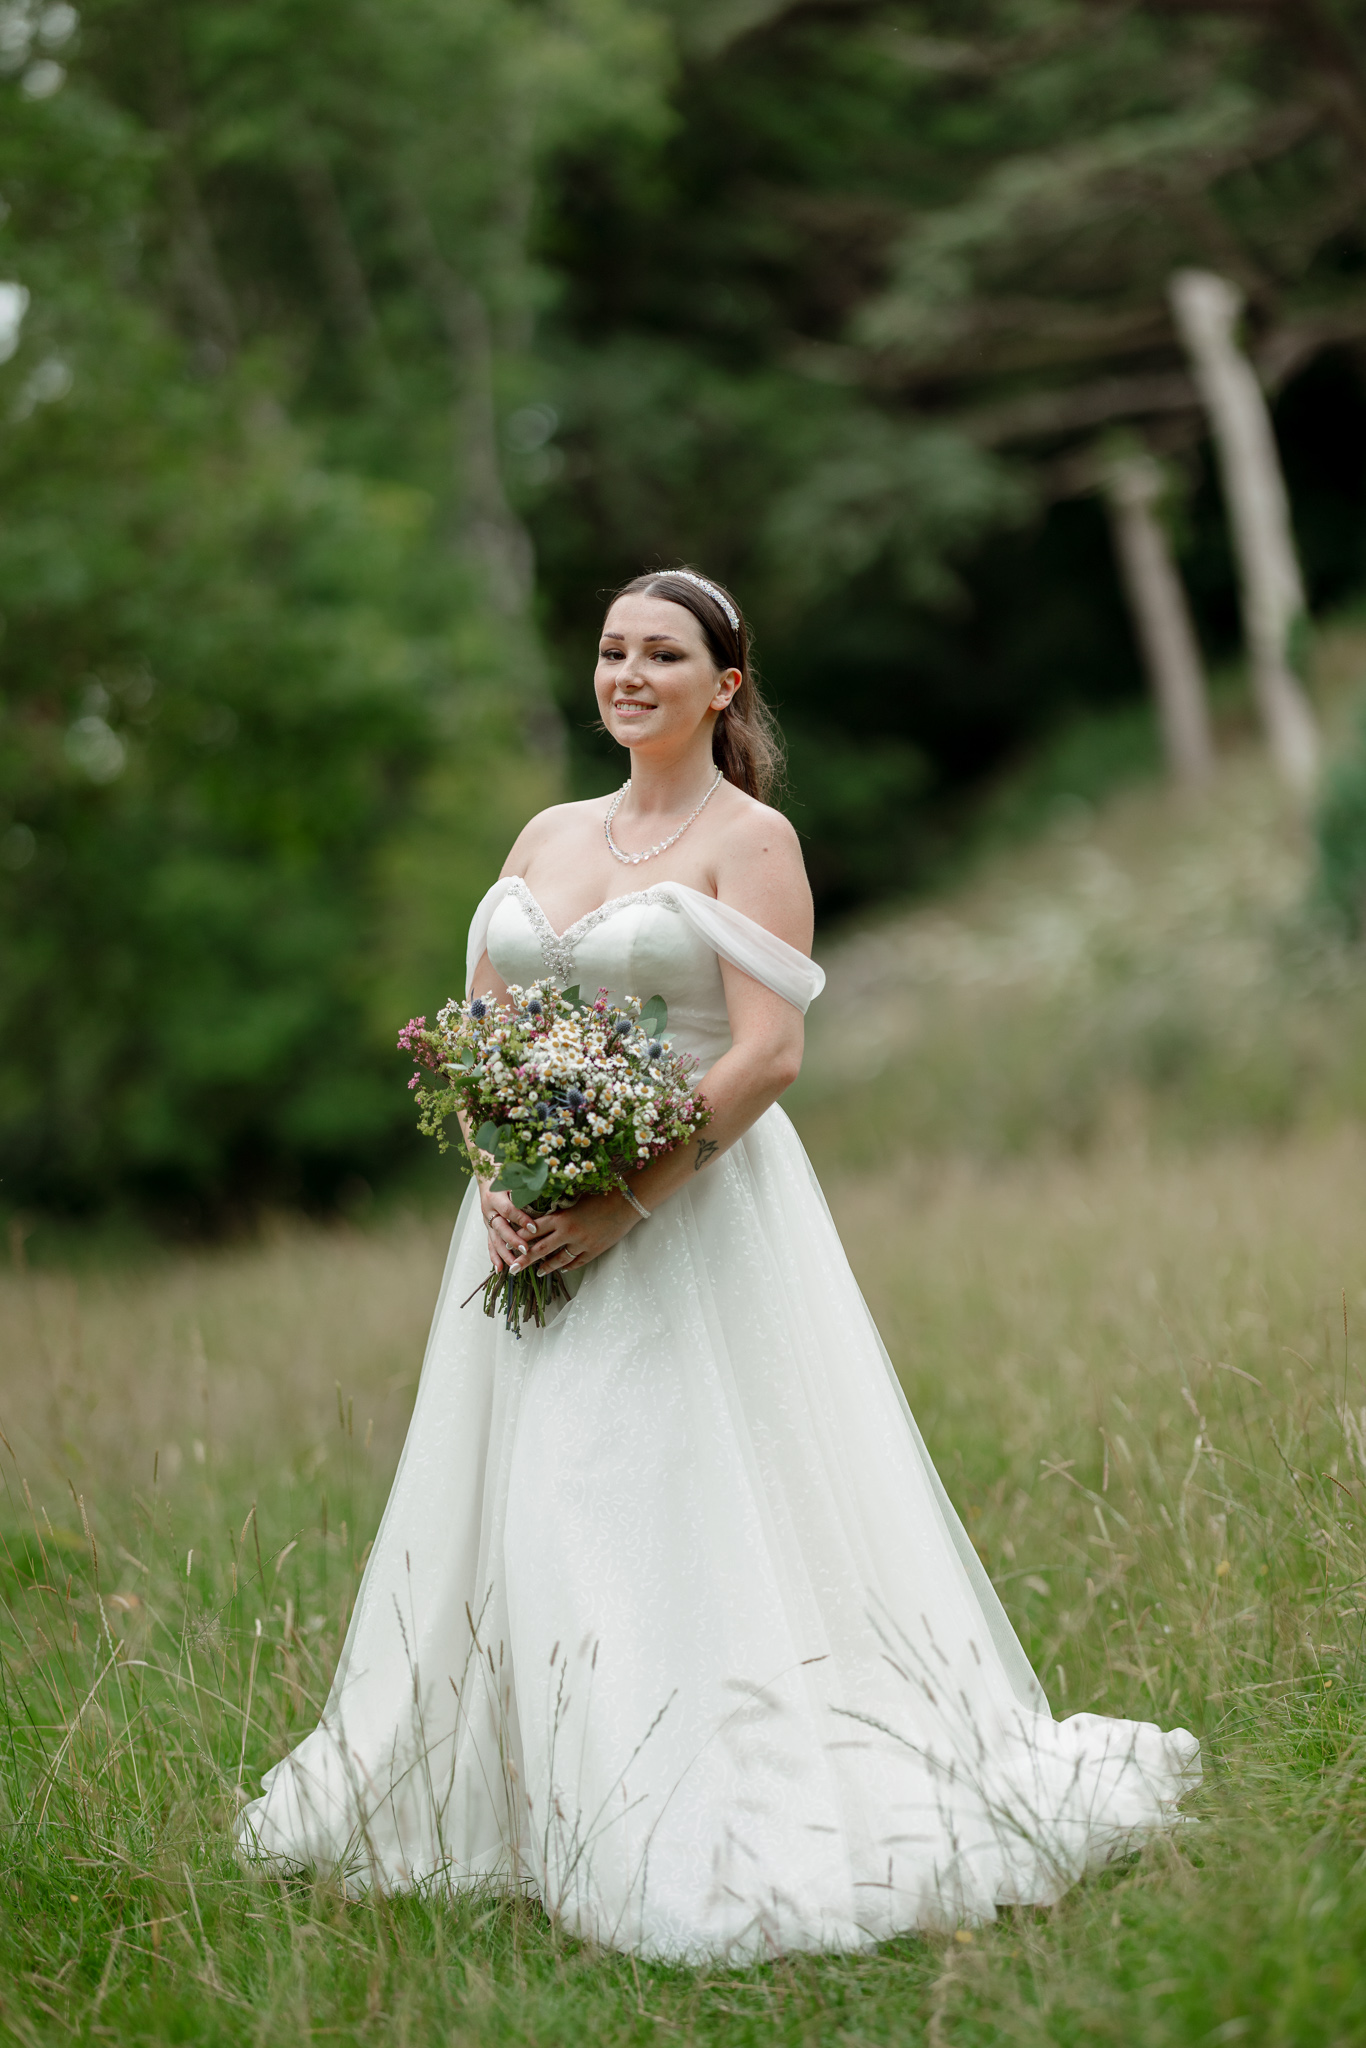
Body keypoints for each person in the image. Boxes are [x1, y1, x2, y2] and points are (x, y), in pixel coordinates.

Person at [237, 567, 1198, 1960]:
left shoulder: (751, 840)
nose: (627, 674)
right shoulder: (547, 830)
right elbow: (481, 1034)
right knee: (520, 1490)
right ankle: (518, 1796)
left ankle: (676, 1811)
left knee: (636, 1484)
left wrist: (622, 1202)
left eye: (663, 654)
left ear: (722, 685)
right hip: (520, 1216)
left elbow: (768, 1052)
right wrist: (504, 1178)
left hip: (688, 1216)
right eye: (612, 650)